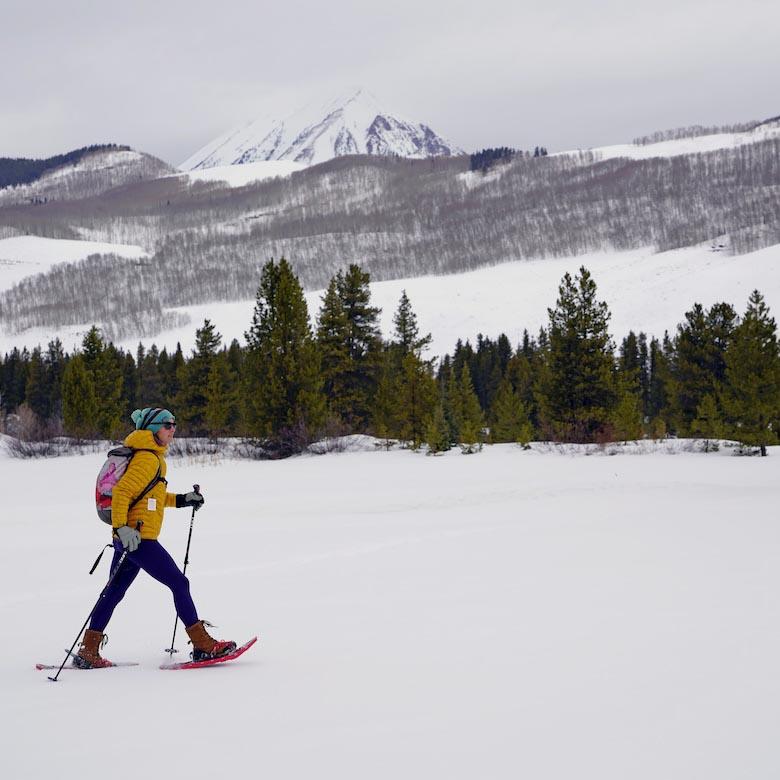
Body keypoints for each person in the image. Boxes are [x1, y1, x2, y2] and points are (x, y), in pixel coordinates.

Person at [74, 407, 236, 668]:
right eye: (167, 425)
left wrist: (183, 500)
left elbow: (152, 498)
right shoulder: (148, 458)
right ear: (152, 428)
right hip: (139, 539)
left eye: (174, 424)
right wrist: (122, 529)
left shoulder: (151, 457)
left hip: (130, 539)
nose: (173, 429)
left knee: (113, 592)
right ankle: (203, 645)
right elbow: (124, 493)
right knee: (179, 583)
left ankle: (88, 651)